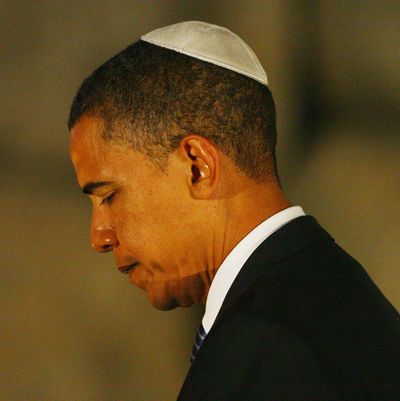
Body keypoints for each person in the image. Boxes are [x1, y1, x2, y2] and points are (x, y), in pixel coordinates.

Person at [69, 21, 400, 401]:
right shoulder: (341, 300)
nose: (99, 237)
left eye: (109, 196)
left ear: (197, 166)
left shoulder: (265, 344)